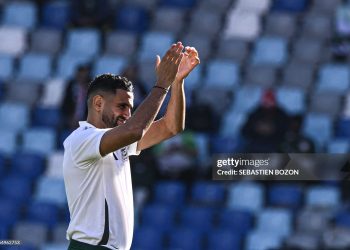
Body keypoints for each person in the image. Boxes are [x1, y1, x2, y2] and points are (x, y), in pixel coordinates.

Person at [63, 42, 200, 250]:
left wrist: (176, 83)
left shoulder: (117, 140)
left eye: (130, 107)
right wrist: (161, 84)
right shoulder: (81, 139)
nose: (128, 114)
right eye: (122, 106)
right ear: (98, 103)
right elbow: (135, 130)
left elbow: (171, 127)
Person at [61, 64, 92, 129]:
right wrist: (70, 117)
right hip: (70, 117)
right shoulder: (71, 85)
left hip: (86, 118)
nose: (82, 78)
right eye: (80, 76)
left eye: (84, 76)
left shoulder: (92, 88)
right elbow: (65, 104)